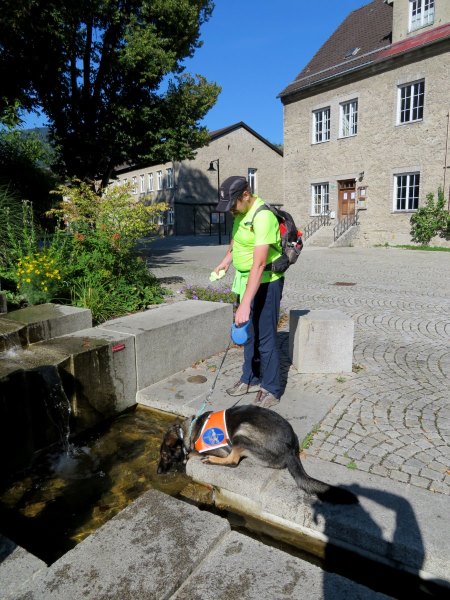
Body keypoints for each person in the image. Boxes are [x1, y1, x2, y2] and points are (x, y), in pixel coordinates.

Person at [213, 176, 284, 408]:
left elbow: (260, 264)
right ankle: (249, 378)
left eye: (233, 204)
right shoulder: (240, 214)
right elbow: (237, 244)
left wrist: (245, 303)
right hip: (245, 281)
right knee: (248, 333)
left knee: (265, 336)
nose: (230, 210)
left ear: (245, 195)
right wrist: (225, 262)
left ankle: (271, 388)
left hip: (266, 282)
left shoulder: (263, 216)